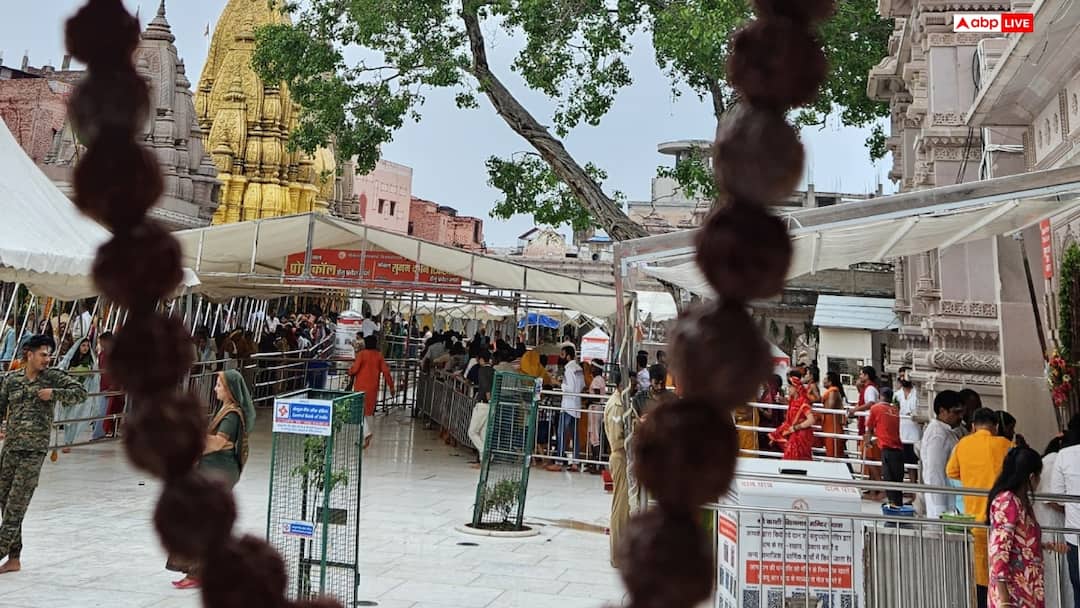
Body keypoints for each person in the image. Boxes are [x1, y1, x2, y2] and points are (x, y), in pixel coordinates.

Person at [0, 335, 88, 573]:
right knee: (5, 501)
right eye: (43, 354)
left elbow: (80, 393)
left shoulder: (52, 377)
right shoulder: (12, 380)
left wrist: (55, 393)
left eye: (49, 355)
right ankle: (14, 558)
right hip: (11, 448)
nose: (47, 359)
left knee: (16, 505)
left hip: (34, 450)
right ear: (29, 354)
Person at [167, 370, 254, 589]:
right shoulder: (224, 410)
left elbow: (217, 443)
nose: (215, 389)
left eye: (219, 385)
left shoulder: (232, 415)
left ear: (230, 390)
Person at [948, 407, 1015, 608]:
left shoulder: (963, 444)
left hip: (974, 519)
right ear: (996, 426)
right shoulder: (1006, 445)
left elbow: (951, 472)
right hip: (1003, 520)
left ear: (973, 426)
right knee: (1002, 571)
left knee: (980, 576)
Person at [986, 446, 1047, 608]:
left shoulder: (1020, 503)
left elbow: (1018, 542)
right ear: (1031, 477)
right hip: (1013, 594)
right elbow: (999, 551)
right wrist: (1004, 600)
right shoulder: (1008, 502)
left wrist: (1044, 546)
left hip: (1026, 590)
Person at [1038, 434, 1073, 608]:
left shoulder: (1048, 461)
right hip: (1051, 526)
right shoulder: (1053, 462)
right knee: (1056, 575)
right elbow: (1050, 498)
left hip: (1050, 526)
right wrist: (1071, 509)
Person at [921, 390, 965, 519]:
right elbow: (934, 472)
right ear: (942, 411)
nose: (960, 417)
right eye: (956, 412)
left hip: (950, 497)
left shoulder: (948, 431)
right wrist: (940, 508)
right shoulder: (937, 434)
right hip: (941, 502)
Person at [57, 337, 103, 454]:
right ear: (78, 347)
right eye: (83, 345)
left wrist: (86, 373)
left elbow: (94, 376)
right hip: (68, 392)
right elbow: (62, 370)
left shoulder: (90, 361)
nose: (85, 348)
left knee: (75, 417)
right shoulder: (71, 359)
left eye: (87, 346)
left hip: (82, 392)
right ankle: (68, 440)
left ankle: (68, 442)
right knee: (68, 417)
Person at [349, 335, 396, 449]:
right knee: (368, 413)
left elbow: (355, 369)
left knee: (359, 411)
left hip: (360, 387)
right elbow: (386, 372)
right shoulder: (379, 356)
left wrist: (349, 371)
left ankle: (366, 433)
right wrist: (391, 387)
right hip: (373, 388)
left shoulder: (362, 354)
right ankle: (364, 439)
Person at [1052, 421, 1080, 608]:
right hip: (1074, 536)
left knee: (1078, 590)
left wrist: (1072, 507)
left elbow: (1057, 497)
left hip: (1075, 535)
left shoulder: (1064, 455)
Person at [603, 384, 631, 568]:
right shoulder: (616, 405)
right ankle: (617, 555)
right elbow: (616, 440)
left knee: (625, 507)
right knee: (620, 508)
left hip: (625, 458)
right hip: (620, 458)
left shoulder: (623, 402)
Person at [547, 345, 585, 472]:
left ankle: (558, 461)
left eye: (562, 354)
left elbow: (570, 388)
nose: (560, 357)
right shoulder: (579, 369)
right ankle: (575, 462)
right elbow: (581, 386)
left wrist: (558, 383)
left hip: (568, 405)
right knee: (575, 435)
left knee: (561, 433)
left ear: (568, 356)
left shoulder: (569, 369)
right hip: (576, 405)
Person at [866, 388, 904, 506]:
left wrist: (868, 441)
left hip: (887, 449)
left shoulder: (876, 408)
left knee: (889, 480)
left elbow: (870, 428)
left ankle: (893, 508)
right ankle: (898, 506)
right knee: (897, 482)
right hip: (899, 449)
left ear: (880, 396)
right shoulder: (896, 410)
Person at [769, 370, 816, 461]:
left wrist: (795, 427)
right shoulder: (793, 401)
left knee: (798, 460)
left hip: (801, 435)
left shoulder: (803, 401)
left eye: (790, 387)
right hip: (794, 434)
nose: (788, 389)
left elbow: (811, 420)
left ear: (796, 388)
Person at [850, 367, 882, 485]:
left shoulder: (870, 389)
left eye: (861, 375)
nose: (860, 377)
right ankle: (873, 486)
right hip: (869, 426)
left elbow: (871, 403)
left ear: (867, 376)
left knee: (869, 457)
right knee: (868, 457)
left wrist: (856, 410)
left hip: (871, 427)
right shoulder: (868, 388)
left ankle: (879, 485)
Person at [466, 351, 495, 468]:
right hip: (491, 405)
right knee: (483, 433)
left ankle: (485, 452)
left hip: (483, 403)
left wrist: (488, 397)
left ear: (482, 359)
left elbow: (485, 385)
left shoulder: (482, 370)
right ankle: (483, 462)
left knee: (472, 432)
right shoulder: (493, 371)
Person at [895, 367, 921, 483]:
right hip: (901, 433)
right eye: (900, 376)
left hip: (915, 434)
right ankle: (908, 486)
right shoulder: (897, 395)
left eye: (904, 376)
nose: (902, 378)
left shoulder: (918, 394)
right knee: (903, 462)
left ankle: (915, 486)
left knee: (915, 461)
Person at [585, 359, 607, 473]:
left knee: (595, 437)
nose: (591, 369)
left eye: (592, 367)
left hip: (595, 409)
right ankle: (595, 463)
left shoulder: (597, 380)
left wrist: (587, 399)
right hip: (596, 409)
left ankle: (597, 464)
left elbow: (596, 397)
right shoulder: (599, 379)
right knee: (594, 436)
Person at [820, 372, 847, 461]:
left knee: (833, 456)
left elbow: (830, 406)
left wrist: (820, 410)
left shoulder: (833, 391)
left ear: (830, 382)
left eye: (825, 379)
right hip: (830, 427)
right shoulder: (832, 391)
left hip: (833, 428)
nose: (823, 381)